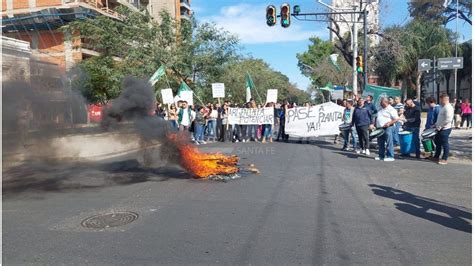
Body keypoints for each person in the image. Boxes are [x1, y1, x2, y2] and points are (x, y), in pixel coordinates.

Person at [374, 97, 399, 161]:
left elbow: (396, 119)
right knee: (380, 142)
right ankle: (381, 156)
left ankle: (390, 156)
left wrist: (389, 123)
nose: (380, 103)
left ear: (386, 102)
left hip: (388, 128)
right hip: (379, 128)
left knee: (389, 142)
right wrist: (374, 124)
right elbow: (377, 117)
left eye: (381, 102)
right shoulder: (380, 108)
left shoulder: (391, 109)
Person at [432, 94, 454, 165]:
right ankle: (436, 156)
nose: (440, 101)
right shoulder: (443, 107)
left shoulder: (448, 108)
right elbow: (440, 118)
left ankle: (444, 158)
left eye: (441, 99)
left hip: (445, 128)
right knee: (437, 142)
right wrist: (435, 124)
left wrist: (441, 126)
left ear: (444, 99)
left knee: (444, 143)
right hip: (439, 128)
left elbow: (448, 120)